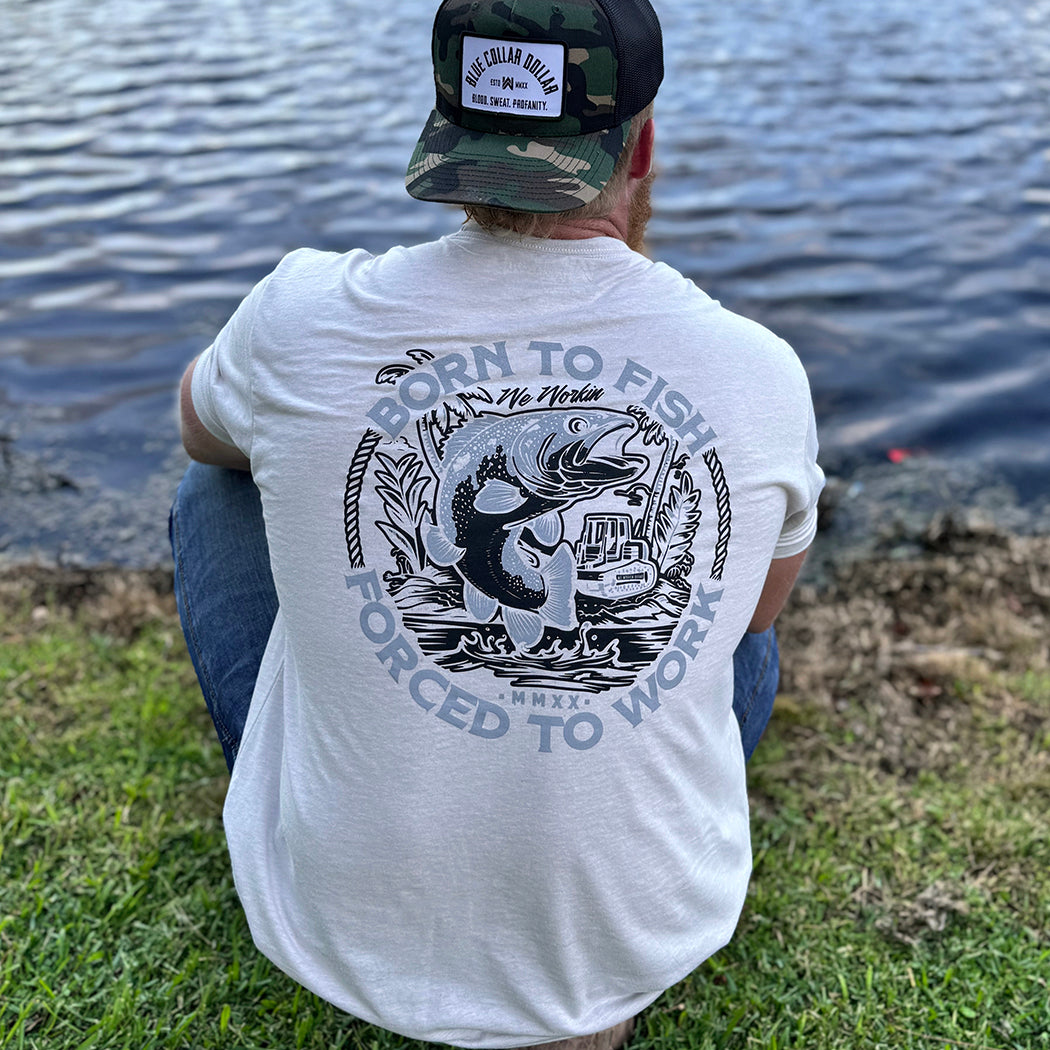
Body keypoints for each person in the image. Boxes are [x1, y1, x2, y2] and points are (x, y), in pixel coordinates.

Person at [169, 1, 824, 1047]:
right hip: (642, 941)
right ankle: (587, 906)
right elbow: (755, 616)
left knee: (214, 489)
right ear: (643, 142)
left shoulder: (299, 310)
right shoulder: (759, 371)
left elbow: (198, 425)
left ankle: (370, 824)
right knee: (745, 599)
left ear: (447, 133)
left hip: (344, 928)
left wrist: (307, 417)